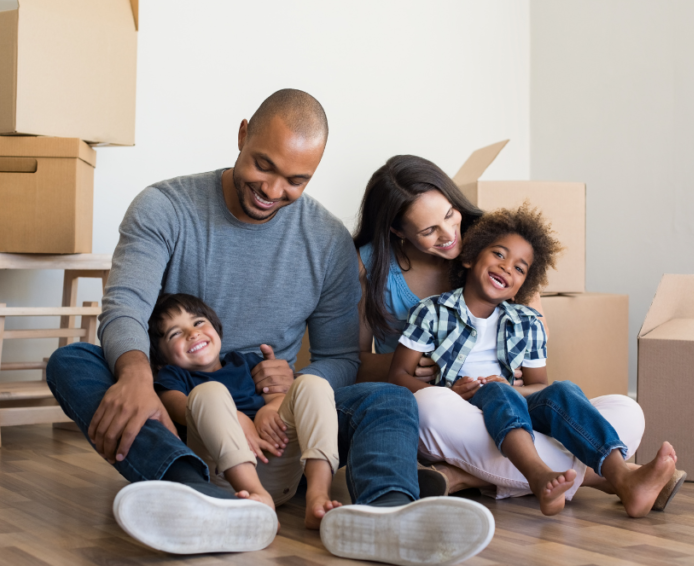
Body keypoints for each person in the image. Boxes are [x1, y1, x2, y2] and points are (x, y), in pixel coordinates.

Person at [46, 89, 495, 564]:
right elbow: (126, 306)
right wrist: (137, 376)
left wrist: (293, 387)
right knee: (73, 362)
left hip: (280, 424)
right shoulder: (165, 207)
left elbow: (341, 358)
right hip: (179, 405)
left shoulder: (326, 241)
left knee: (388, 397)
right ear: (243, 135)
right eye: (264, 166)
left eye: (295, 180)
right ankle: (194, 491)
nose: (273, 190)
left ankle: (386, 512)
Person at [353, 155, 673, 507]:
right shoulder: (391, 281)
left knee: (625, 411)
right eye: (429, 231)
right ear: (398, 231)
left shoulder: (497, 248)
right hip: (447, 409)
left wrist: (522, 375)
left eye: (449, 215)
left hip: (514, 406)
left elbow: (538, 378)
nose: (449, 236)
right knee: (432, 404)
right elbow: (353, 362)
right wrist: (416, 368)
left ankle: (463, 477)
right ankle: (605, 478)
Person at [148, 292, 341, 529]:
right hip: (227, 477)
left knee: (312, 384)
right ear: (160, 358)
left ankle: (318, 496)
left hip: (279, 461)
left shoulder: (246, 362)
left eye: (198, 322)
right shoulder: (172, 377)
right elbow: (178, 409)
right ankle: (256, 496)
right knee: (209, 392)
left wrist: (269, 409)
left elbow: (280, 396)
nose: (193, 333)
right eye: (175, 333)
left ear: (216, 329)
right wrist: (236, 417)